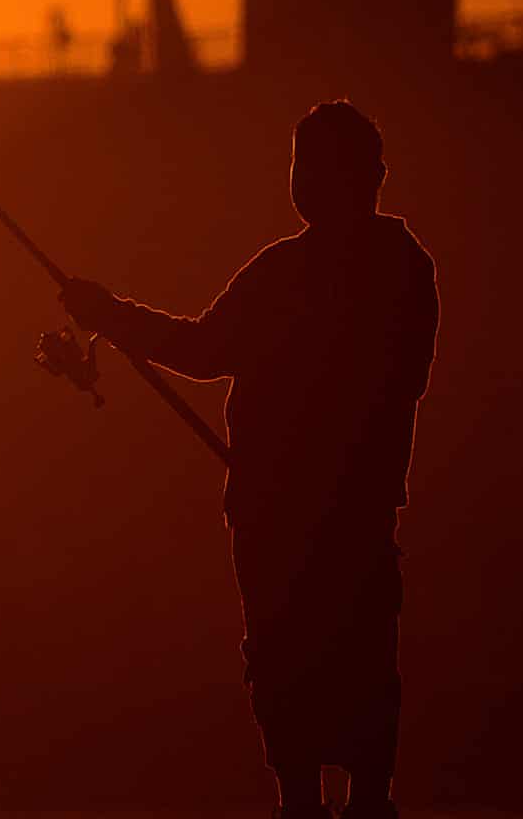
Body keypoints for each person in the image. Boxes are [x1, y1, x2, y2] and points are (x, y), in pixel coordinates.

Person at [60, 99, 438, 819]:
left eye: (322, 167)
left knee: (322, 656)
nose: (308, 182)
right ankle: (319, 803)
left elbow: (208, 352)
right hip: (282, 507)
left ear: (372, 176)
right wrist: (109, 314)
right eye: (301, 166)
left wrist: (111, 313)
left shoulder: (374, 272)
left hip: (320, 507)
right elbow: (207, 350)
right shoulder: (364, 269)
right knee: (297, 657)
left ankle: (344, 804)